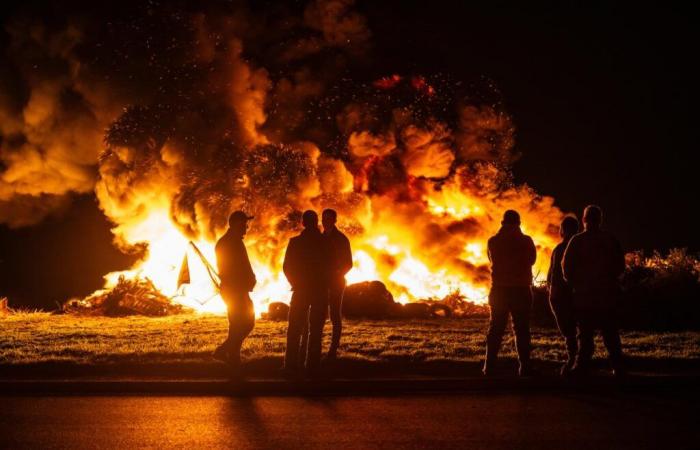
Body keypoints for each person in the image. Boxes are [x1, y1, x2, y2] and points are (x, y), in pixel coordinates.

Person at [562, 205, 626, 376]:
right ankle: (618, 367)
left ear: (584, 220)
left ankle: (582, 367)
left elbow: (566, 269)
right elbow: (620, 266)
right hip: (607, 296)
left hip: (584, 297)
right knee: (611, 334)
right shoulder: (610, 240)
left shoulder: (577, 241)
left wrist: (577, 283)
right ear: (600, 220)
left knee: (585, 335)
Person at [483, 210, 537, 377]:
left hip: (499, 289)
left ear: (502, 222)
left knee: (495, 329)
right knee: (522, 329)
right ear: (519, 223)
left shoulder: (493, 241)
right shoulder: (526, 241)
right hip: (521, 289)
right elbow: (532, 260)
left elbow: (491, 260)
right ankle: (524, 367)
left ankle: (489, 367)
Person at [282, 210, 330, 377]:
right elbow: (331, 267)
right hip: (319, 291)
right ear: (316, 222)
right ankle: (312, 366)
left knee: (294, 328)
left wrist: (295, 283)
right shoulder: (325, 242)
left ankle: (290, 366)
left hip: (301, 290)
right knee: (316, 330)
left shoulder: (295, 243)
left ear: (303, 223)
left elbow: (287, 267)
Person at [213, 210, 256, 371]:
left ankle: (232, 357)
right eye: (245, 223)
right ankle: (225, 352)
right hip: (235, 290)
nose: (247, 227)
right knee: (245, 323)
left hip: (237, 289)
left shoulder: (231, 241)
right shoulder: (230, 243)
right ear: (237, 224)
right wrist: (247, 281)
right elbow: (232, 269)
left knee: (238, 324)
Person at [547, 216, 579, 375]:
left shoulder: (560, 249)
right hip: (578, 293)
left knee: (569, 330)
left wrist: (551, 291)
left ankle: (573, 359)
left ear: (563, 230)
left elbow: (553, 273)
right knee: (580, 328)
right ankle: (579, 360)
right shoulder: (583, 247)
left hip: (561, 294)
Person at [321, 209, 353, 360]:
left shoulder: (341, 239)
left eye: (328, 219)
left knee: (334, 315)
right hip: (320, 283)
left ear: (334, 220)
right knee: (318, 316)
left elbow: (349, 263)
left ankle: (333, 349)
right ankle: (316, 348)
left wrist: (337, 275)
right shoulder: (318, 238)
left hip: (335, 283)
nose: (325, 221)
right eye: (323, 218)